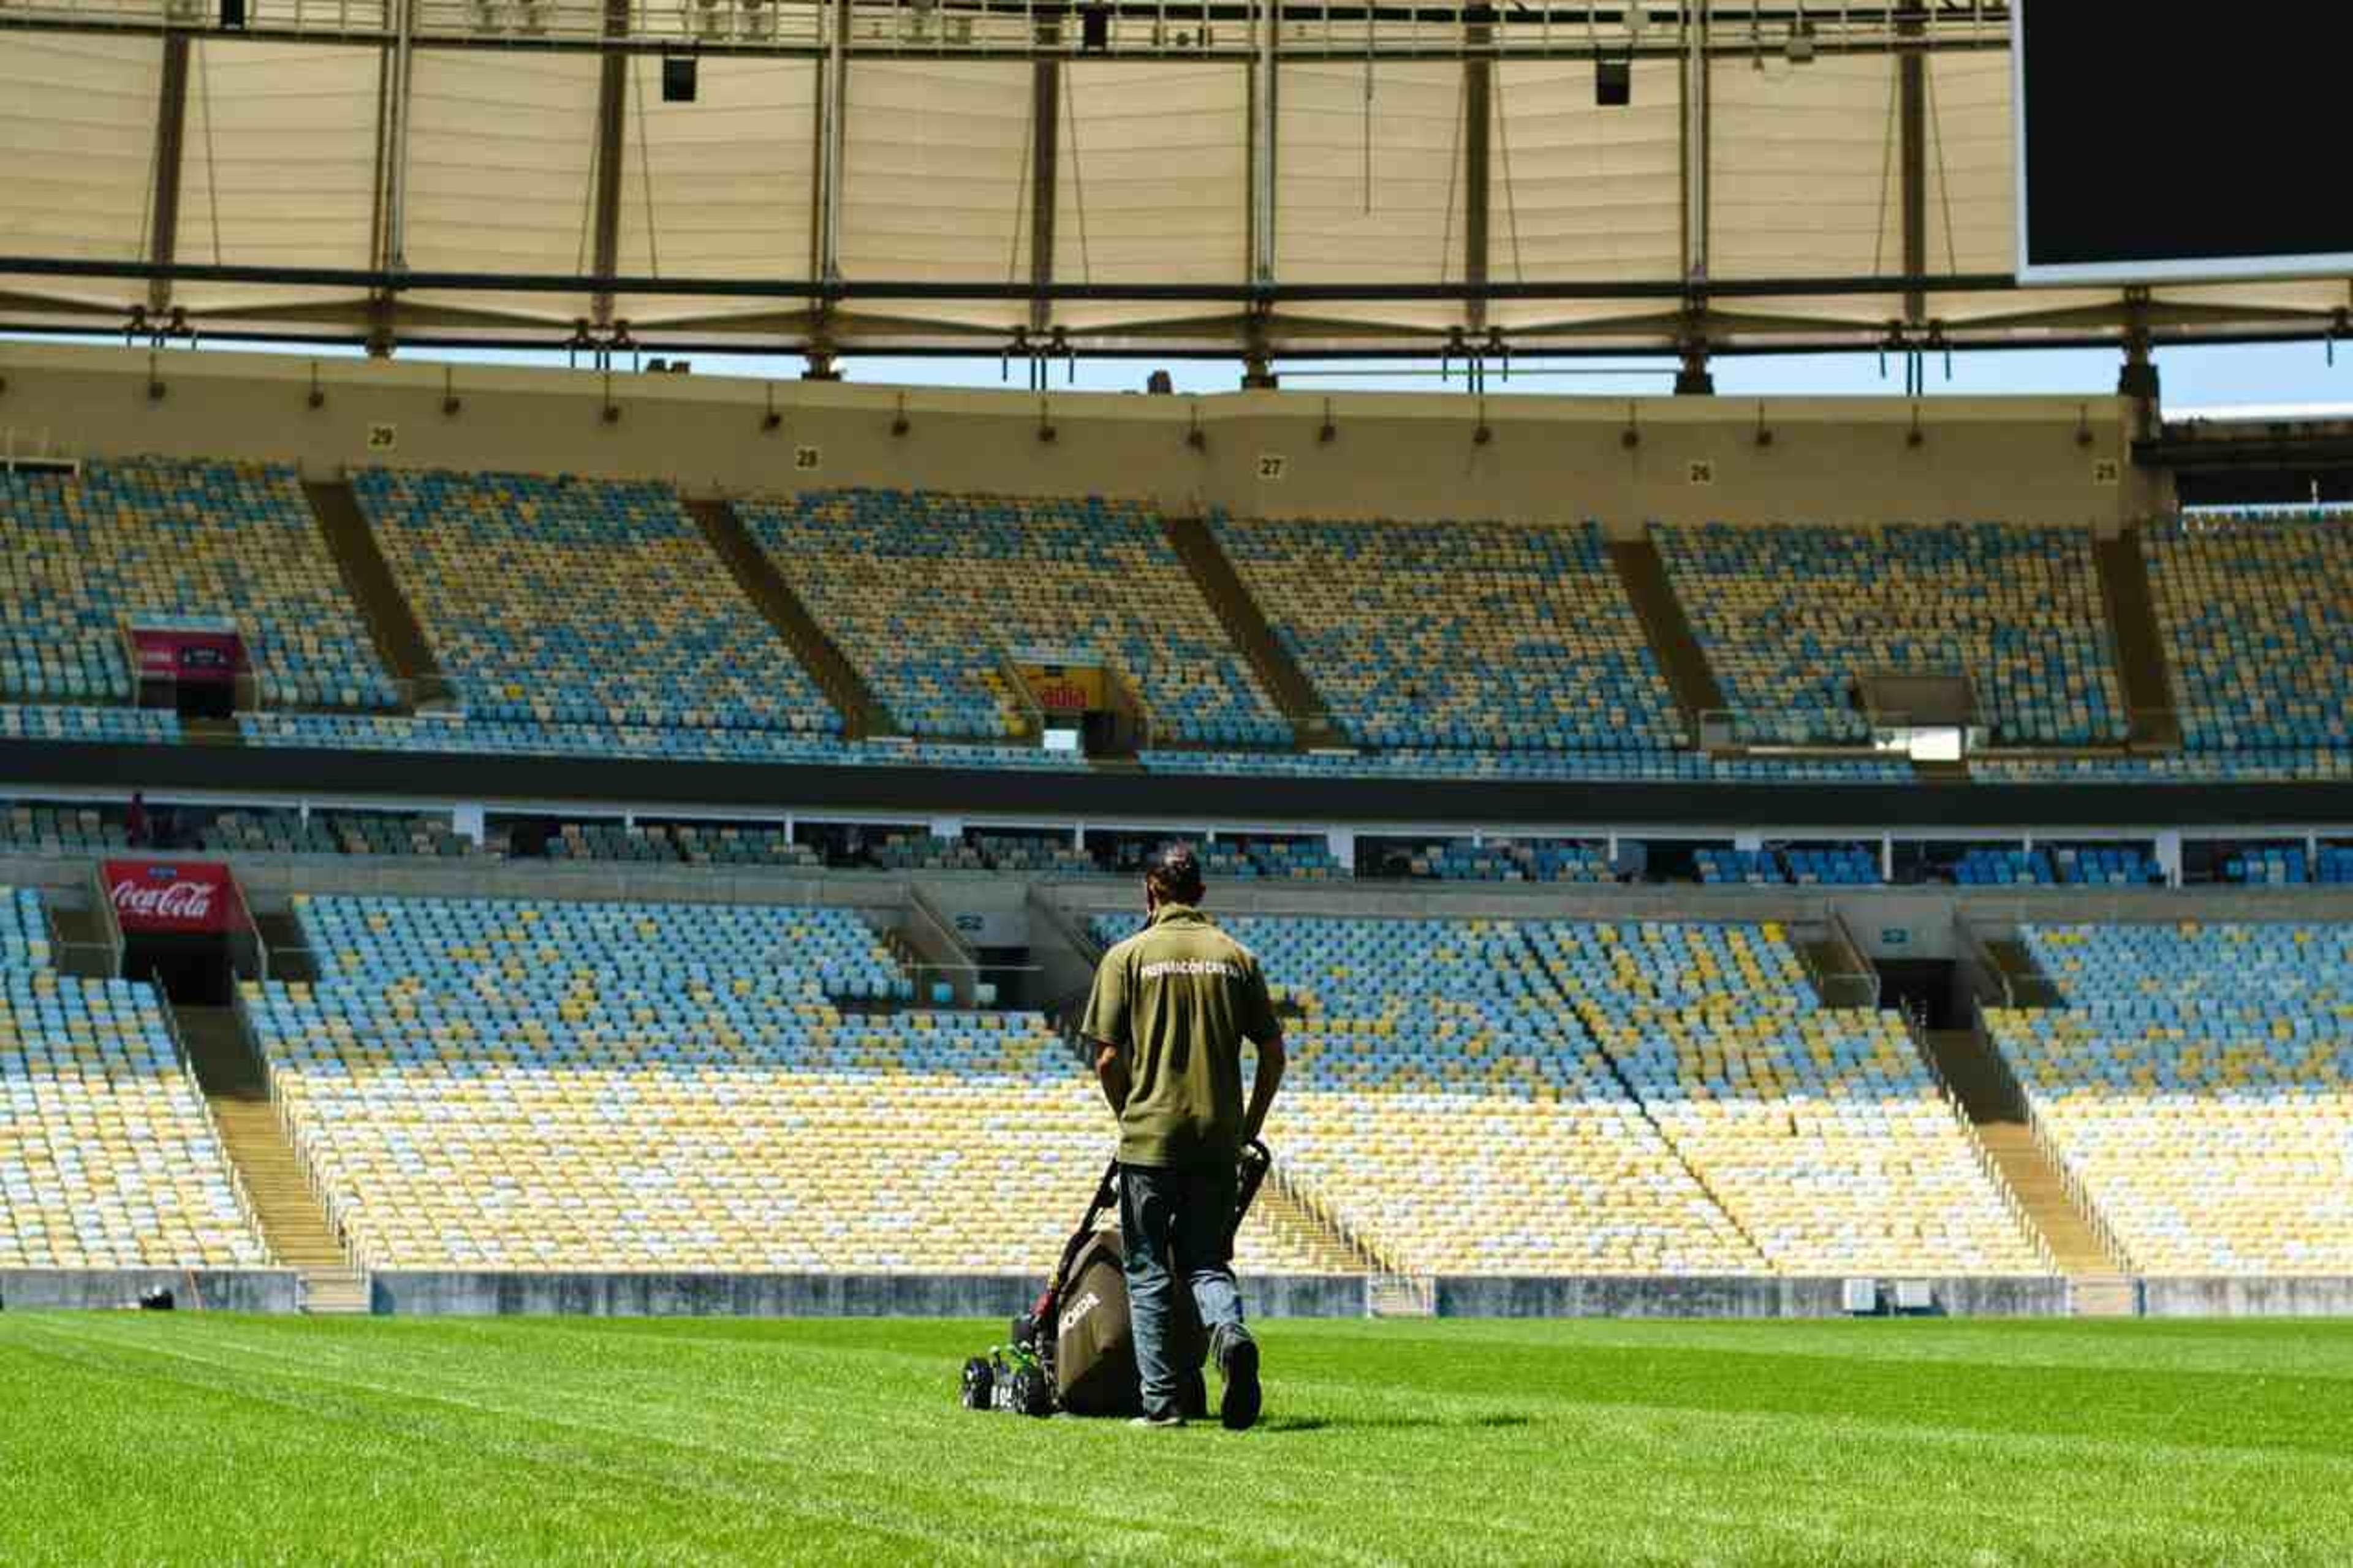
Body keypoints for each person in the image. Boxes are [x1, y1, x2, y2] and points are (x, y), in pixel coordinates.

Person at [1080, 841, 1286, 1430]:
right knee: (1207, 1261)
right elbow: (1273, 1053)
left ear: (1151, 889)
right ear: (1200, 893)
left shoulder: (1128, 956)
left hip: (1152, 1138)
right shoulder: (1237, 957)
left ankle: (1162, 1403)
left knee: (1146, 1268)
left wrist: (1130, 1115)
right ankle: (1228, 1332)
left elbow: (1107, 1059)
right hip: (1219, 1140)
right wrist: (1250, 1125)